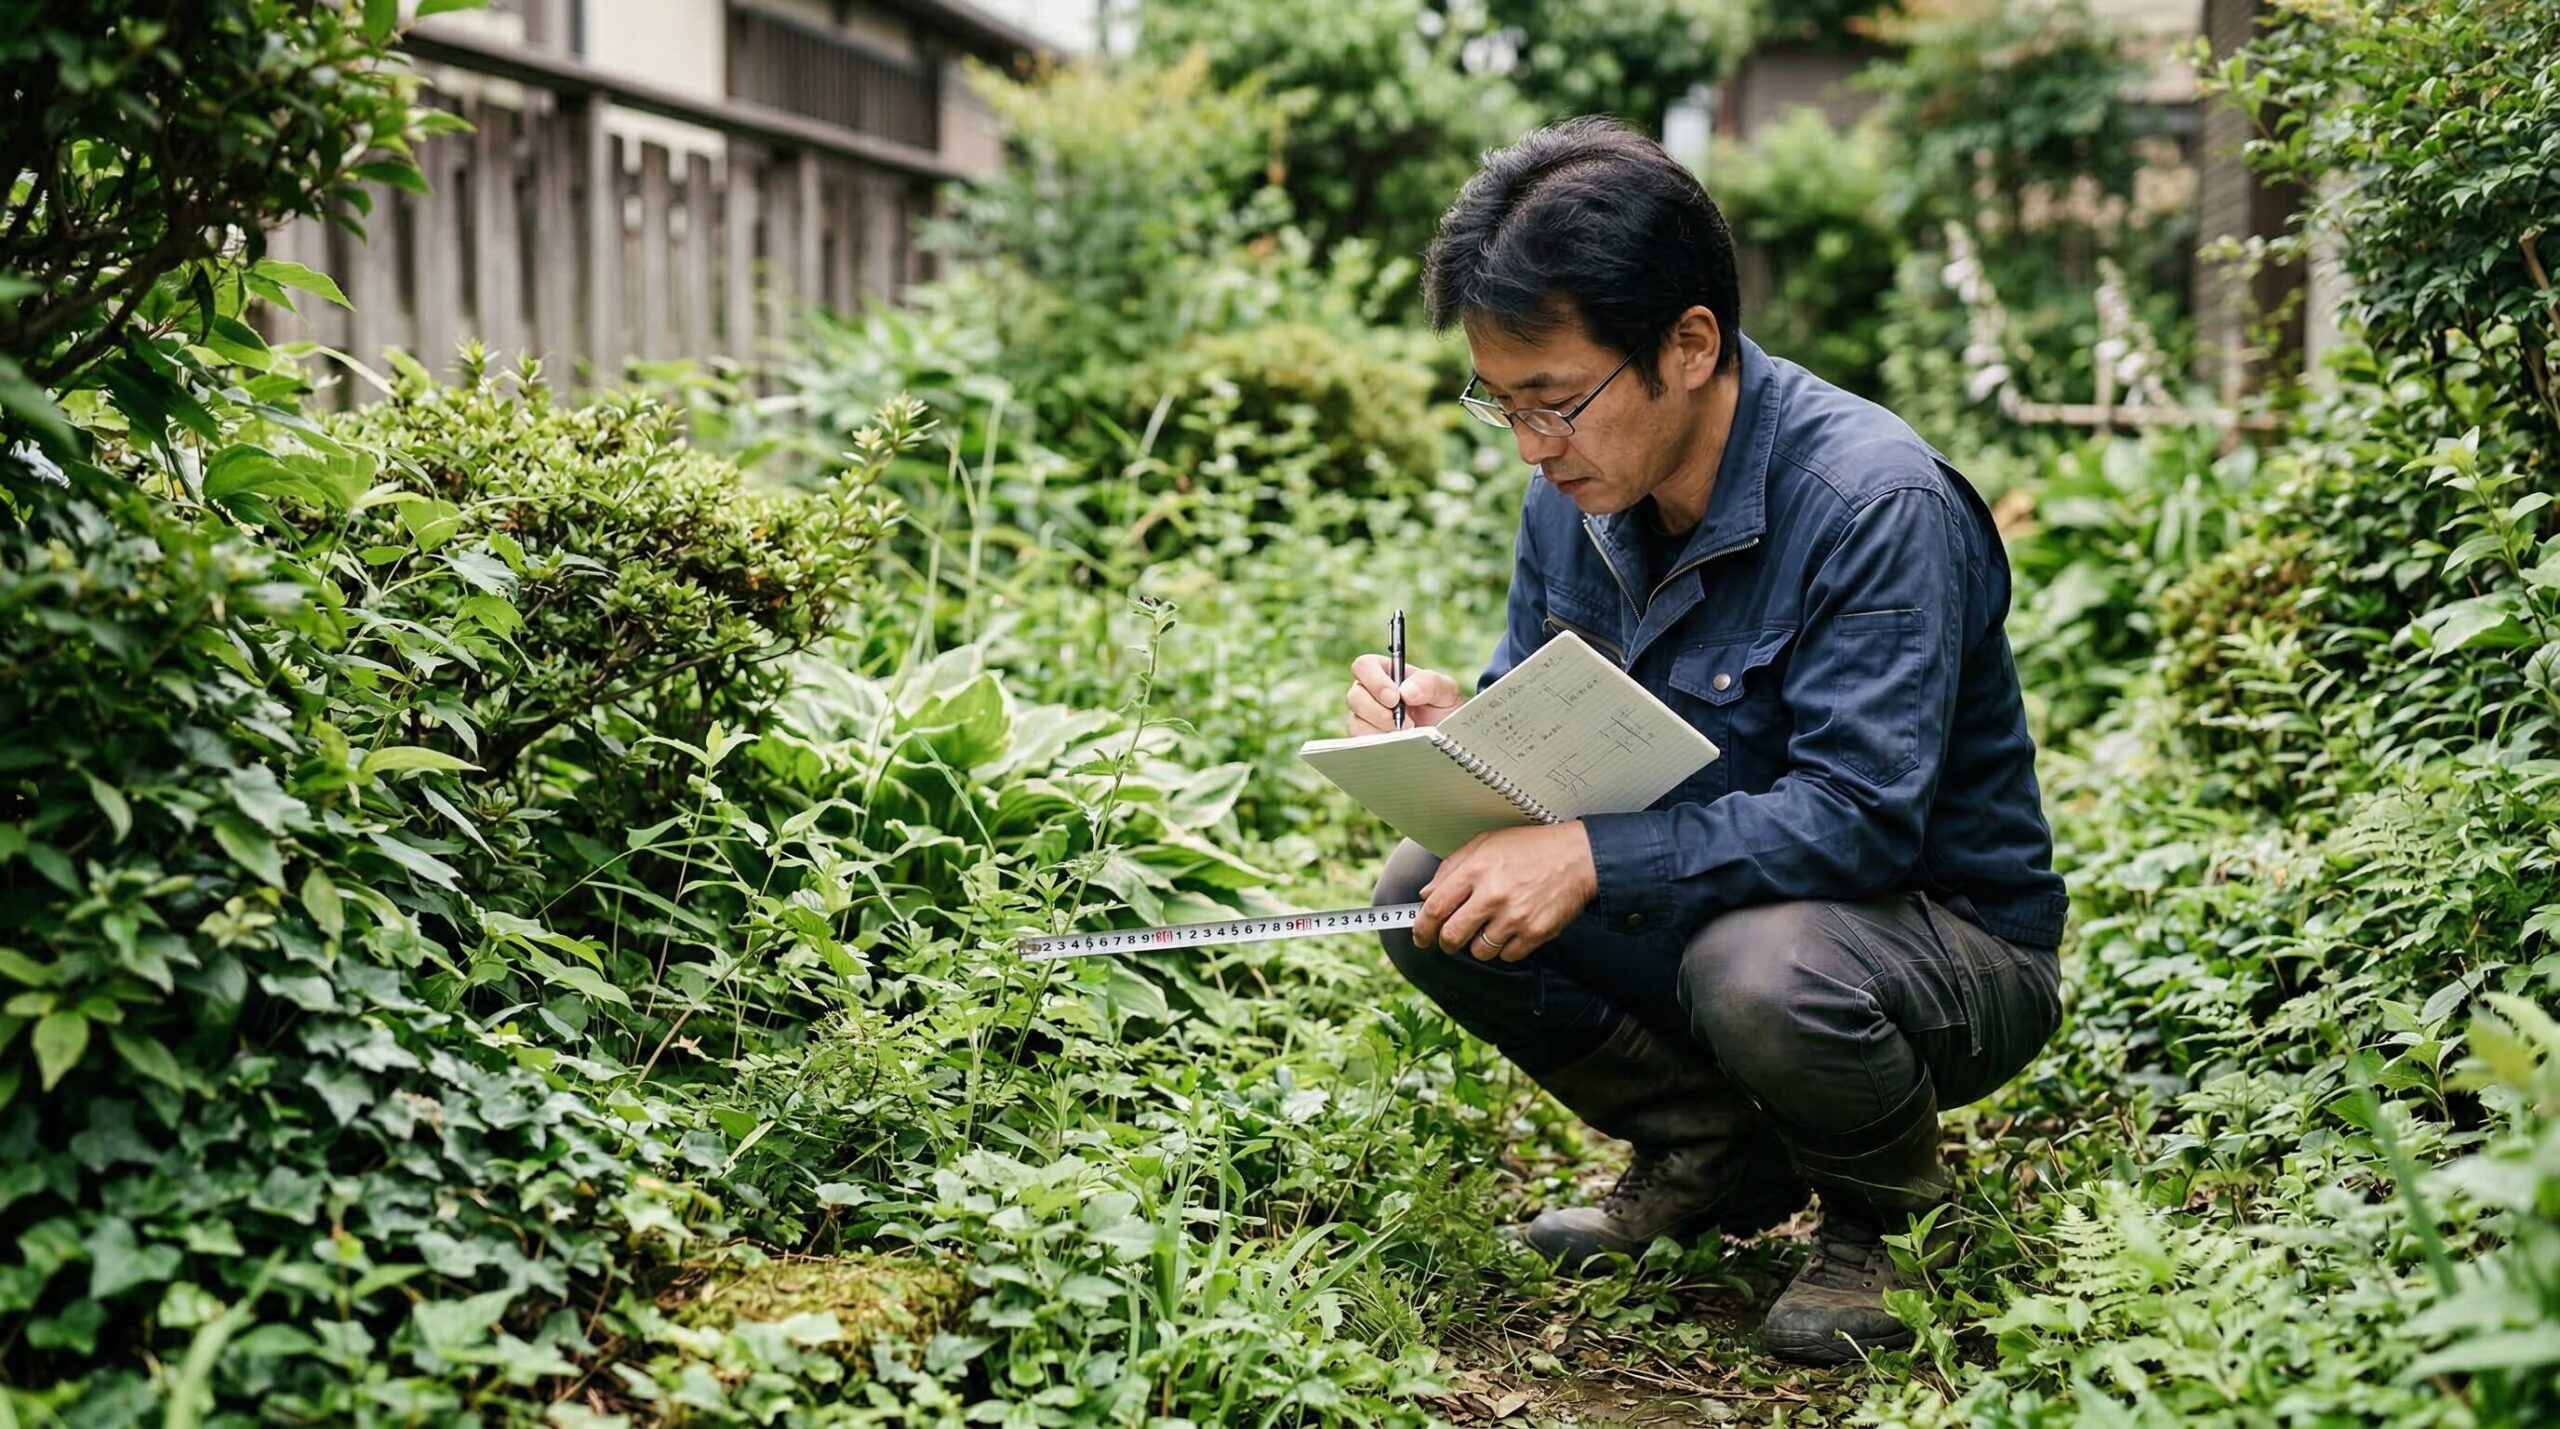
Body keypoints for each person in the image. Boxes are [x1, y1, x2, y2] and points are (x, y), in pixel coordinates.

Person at [1344, 117, 2067, 1366]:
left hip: (1940, 943)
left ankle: (1884, 1216)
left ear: (1688, 344)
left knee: (1758, 965)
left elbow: (1860, 819)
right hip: (1725, 904)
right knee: (1429, 889)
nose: (1531, 446)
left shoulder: (1873, 501)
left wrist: (1590, 857)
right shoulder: (1575, 496)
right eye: (1501, 404)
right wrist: (1460, 735)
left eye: (1555, 402)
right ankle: (1710, 1151)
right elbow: (1549, 723)